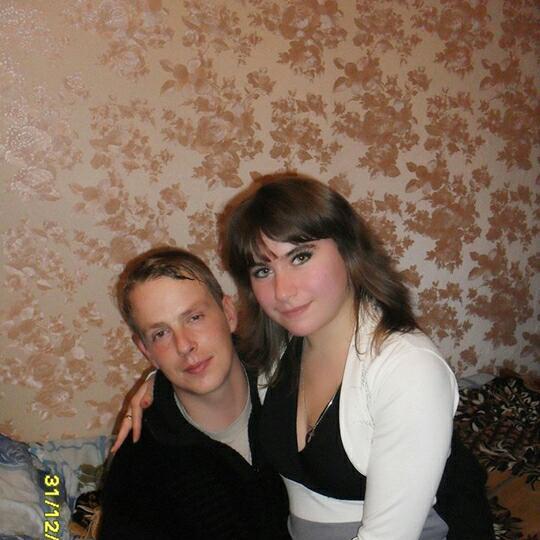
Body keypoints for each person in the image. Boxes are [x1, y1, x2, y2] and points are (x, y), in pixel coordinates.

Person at [115, 175, 494, 540]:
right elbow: (205, 358)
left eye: (300, 257)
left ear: (347, 247)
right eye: (263, 270)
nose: (283, 290)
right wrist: (158, 384)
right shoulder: (279, 350)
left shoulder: (406, 369)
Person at [99, 247, 290, 540]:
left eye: (194, 317)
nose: (184, 344)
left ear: (228, 314)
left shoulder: (292, 385)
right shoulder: (139, 467)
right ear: (146, 350)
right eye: (160, 333)